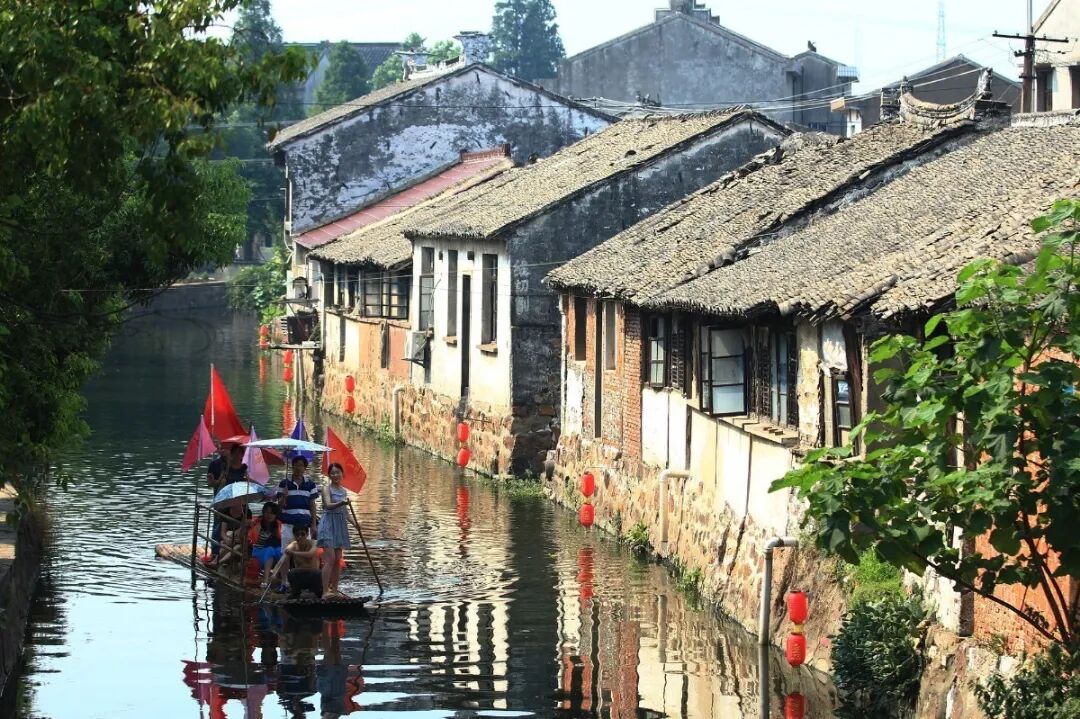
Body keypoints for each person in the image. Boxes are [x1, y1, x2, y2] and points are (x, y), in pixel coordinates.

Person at [318, 463, 361, 598]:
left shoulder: (343, 491)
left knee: (337, 559)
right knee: (329, 559)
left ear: (342, 474)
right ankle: (325, 591)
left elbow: (346, 513)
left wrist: (355, 524)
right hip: (328, 524)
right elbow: (327, 505)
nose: (335, 475)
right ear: (329, 475)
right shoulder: (326, 489)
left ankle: (335, 590)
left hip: (340, 525)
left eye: (338, 472)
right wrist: (341, 503)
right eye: (333, 473)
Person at [277, 456, 319, 548]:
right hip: (288, 523)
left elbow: (312, 506)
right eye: (295, 465)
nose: (298, 467)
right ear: (292, 466)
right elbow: (279, 506)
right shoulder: (284, 483)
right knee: (286, 552)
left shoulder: (310, 484)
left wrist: (314, 525)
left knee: (304, 552)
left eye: (300, 465)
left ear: (305, 468)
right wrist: (284, 495)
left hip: (305, 524)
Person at [249, 502, 284, 588]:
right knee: (270, 550)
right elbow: (250, 539)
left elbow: (281, 540)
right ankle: (265, 581)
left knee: (283, 551)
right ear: (263, 512)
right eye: (267, 512)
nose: (269, 515)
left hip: (274, 549)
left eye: (272, 513)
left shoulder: (278, 524)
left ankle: (283, 579)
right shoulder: (257, 523)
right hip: (259, 550)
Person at [285, 525, 322, 600]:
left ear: (307, 534)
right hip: (300, 575)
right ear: (294, 536)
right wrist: (275, 572)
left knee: (318, 574)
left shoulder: (314, 543)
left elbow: (310, 554)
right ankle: (295, 592)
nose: (300, 536)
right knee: (292, 572)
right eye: (297, 534)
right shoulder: (293, 545)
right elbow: (285, 555)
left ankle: (318, 591)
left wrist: (294, 553)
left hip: (313, 574)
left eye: (302, 534)